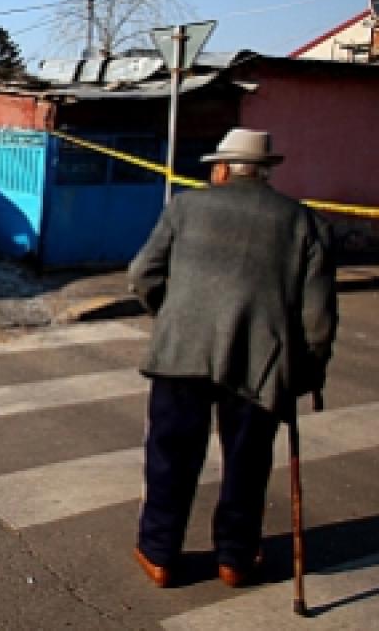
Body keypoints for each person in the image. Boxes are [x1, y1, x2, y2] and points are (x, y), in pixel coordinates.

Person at [127, 128, 338, 588]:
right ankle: (235, 560)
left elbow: (143, 273)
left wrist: (172, 313)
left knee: (171, 456)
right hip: (259, 361)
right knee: (248, 461)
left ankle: (160, 555)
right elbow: (318, 317)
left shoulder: (185, 207)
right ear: (265, 172)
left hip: (182, 352)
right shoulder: (304, 222)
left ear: (222, 169)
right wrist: (308, 369)